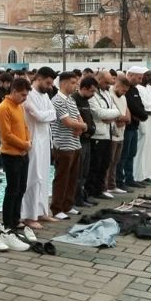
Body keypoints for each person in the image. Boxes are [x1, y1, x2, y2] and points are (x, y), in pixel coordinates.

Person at [22, 67, 58, 228]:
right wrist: (46, 115)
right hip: (33, 140)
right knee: (33, 177)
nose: (50, 87)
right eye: (48, 83)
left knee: (44, 176)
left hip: (45, 141)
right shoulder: (28, 95)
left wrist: (46, 115)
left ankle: (41, 211)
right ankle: (29, 216)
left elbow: (52, 114)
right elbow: (39, 116)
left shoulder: (45, 96)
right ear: (39, 78)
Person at [0, 78, 32, 230]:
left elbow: (25, 127)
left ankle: (16, 219)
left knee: (21, 187)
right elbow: (6, 135)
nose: (25, 98)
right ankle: (8, 221)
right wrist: (24, 144)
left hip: (23, 153)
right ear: (14, 91)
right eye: (23, 95)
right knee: (12, 189)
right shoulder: (3, 108)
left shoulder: (19, 106)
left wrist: (28, 142)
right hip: (10, 155)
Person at [50, 72, 87, 220]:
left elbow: (77, 117)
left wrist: (81, 126)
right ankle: (57, 208)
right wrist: (83, 126)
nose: (76, 85)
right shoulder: (57, 100)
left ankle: (68, 205)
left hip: (75, 144)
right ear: (64, 83)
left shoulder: (71, 99)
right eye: (73, 82)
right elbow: (67, 122)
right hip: (63, 145)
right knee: (62, 178)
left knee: (73, 178)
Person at [87, 71, 120, 200]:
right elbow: (99, 114)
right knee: (95, 165)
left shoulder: (107, 93)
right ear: (98, 79)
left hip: (108, 133)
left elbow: (116, 110)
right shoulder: (93, 94)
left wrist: (112, 115)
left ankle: (100, 189)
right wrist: (111, 114)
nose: (108, 85)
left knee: (105, 163)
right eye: (106, 82)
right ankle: (91, 191)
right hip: (97, 135)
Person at [118, 68, 149, 188]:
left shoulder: (135, 89)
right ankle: (120, 181)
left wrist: (143, 115)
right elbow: (130, 105)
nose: (140, 80)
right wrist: (142, 115)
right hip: (127, 127)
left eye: (141, 78)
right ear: (130, 75)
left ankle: (130, 178)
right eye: (139, 77)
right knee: (123, 155)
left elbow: (139, 105)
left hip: (134, 127)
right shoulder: (125, 90)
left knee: (131, 154)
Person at [71, 76, 98, 207]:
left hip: (87, 140)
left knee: (85, 171)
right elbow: (77, 120)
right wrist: (86, 129)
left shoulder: (86, 101)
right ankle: (75, 199)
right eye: (91, 91)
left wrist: (91, 128)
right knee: (78, 172)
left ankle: (82, 196)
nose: (93, 95)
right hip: (78, 140)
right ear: (84, 88)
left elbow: (90, 119)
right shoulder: (74, 100)